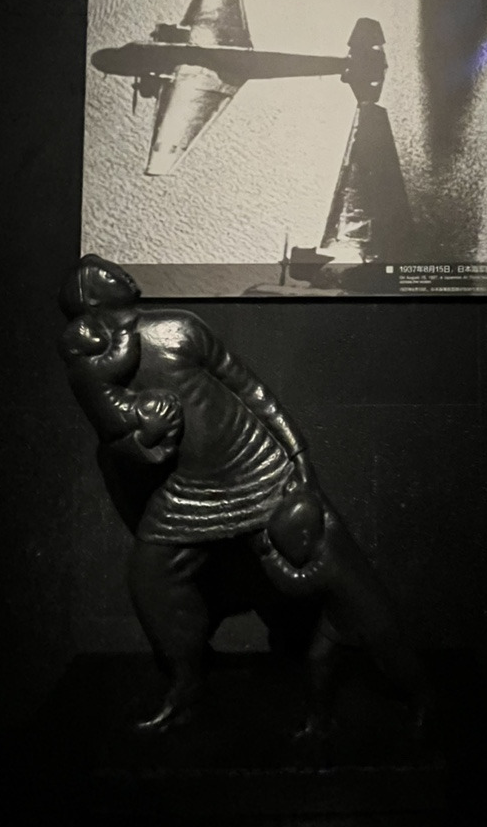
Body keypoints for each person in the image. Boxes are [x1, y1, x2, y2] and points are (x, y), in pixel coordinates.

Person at [59, 254, 319, 733]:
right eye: (109, 275)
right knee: (151, 576)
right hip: (186, 491)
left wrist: (296, 449)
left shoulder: (179, 328)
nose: (123, 275)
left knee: (287, 573)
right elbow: (121, 449)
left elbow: (248, 388)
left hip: (252, 468)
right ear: (89, 298)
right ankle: (186, 683)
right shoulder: (94, 369)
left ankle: (307, 677)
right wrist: (145, 438)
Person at [259, 489, 430, 737]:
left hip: (372, 620)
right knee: (317, 660)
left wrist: (269, 557)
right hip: (337, 617)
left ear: (305, 538)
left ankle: (423, 700)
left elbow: (295, 583)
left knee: (396, 666)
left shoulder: (327, 564)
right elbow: (318, 496)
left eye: (286, 544)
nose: (284, 550)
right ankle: (319, 720)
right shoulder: (331, 526)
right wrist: (300, 481)